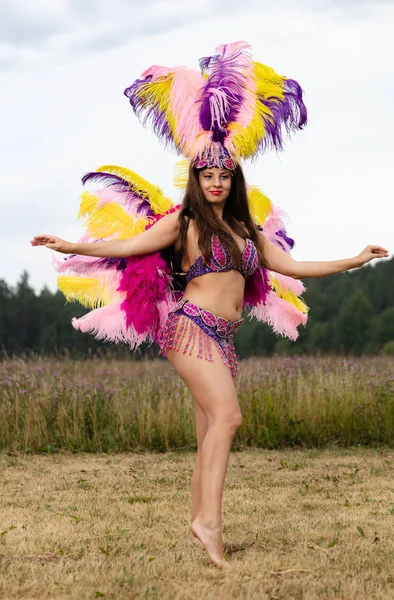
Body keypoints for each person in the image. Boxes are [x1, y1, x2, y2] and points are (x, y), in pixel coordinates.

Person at [31, 42, 388, 568]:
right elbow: (128, 247)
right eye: (207, 175)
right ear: (196, 180)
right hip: (190, 327)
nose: (216, 182)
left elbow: (293, 267)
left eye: (224, 176)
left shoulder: (248, 231)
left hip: (224, 338)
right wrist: (72, 245)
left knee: (207, 430)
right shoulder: (185, 222)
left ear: (233, 181)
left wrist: (354, 260)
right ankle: (209, 525)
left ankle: (197, 516)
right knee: (229, 416)